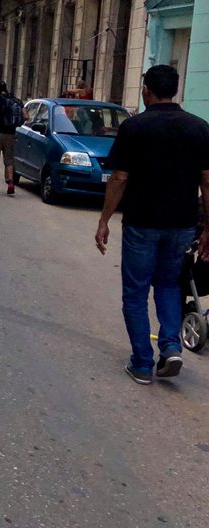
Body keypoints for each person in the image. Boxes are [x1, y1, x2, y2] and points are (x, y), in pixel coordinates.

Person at [95, 65, 209, 385]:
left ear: (147, 90)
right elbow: (207, 182)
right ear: (176, 90)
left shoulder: (135, 128)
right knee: (170, 285)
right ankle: (171, 345)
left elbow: (119, 177)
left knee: (135, 292)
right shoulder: (200, 128)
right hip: (183, 224)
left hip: (142, 223)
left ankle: (143, 363)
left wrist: (104, 220)